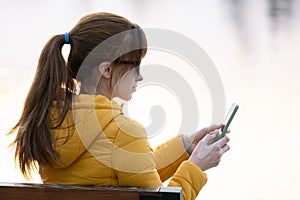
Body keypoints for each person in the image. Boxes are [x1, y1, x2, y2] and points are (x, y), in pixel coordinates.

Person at [9, 12, 230, 200]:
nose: (140, 76)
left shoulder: (47, 122)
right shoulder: (123, 133)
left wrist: (187, 147)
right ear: (106, 70)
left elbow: (131, 173)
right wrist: (196, 167)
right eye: (134, 65)